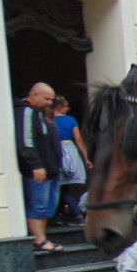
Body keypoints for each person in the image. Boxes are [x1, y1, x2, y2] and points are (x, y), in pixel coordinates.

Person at [15, 82, 63, 252]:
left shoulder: (42, 114)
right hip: (38, 171)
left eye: (51, 99)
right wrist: (36, 165)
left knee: (49, 206)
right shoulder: (26, 111)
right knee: (38, 205)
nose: (50, 102)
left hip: (52, 170)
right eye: (47, 98)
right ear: (34, 95)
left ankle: (42, 237)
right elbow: (26, 141)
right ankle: (39, 240)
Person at [52, 95, 90, 226]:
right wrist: (86, 158)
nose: (68, 108)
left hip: (55, 152)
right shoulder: (71, 120)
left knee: (62, 186)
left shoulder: (49, 119)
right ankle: (75, 214)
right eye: (66, 105)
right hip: (70, 151)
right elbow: (78, 140)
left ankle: (61, 216)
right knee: (64, 187)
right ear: (59, 106)